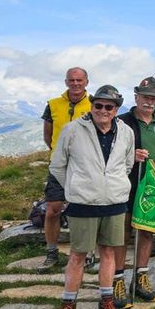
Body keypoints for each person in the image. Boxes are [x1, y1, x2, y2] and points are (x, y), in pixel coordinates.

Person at [50, 85, 135, 309]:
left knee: (108, 253)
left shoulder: (126, 132)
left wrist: (113, 185)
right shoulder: (72, 130)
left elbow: (127, 165)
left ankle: (106, 306)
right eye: (98, 105)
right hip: (83, 203)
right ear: (92, 105)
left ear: (116, 110)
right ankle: (68, 307)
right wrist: (75, 186)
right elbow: (57, 165)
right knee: (78, 255)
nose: (103, 111)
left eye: (109, 107)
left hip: (114, 202)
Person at [112, 77, 155, 309]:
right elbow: (110, 153)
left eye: (153, 98)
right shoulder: (122, 122)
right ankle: (117, 280)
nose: (149, 102)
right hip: (128, 185)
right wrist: (130, 155)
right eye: (145, 97)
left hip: (153, 187)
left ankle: (141, 279)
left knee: (146, 231)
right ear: (136, 97)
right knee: (123, 232)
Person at [39, 66, 93, 273]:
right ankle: (51, 252)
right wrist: (57, 152)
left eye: (79, 80)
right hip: (59, 164)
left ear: (86, 82)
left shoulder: (95, 104)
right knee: (53, 209)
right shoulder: (53, 104)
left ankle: (86, 252)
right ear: (66, 82)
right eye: (72, 80)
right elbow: (48, 135)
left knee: (85, 210)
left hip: (84, 165)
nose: (75, 84)